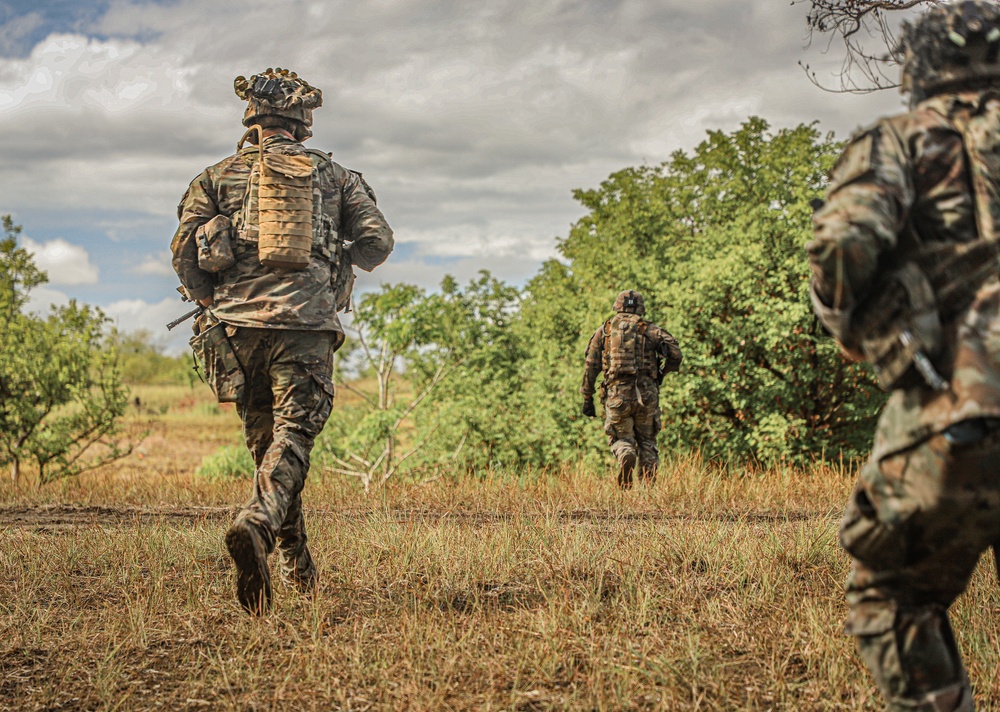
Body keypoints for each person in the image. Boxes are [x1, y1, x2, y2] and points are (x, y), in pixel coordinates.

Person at [807, 2, 1000, 708]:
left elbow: (842, 245)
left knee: (890, 596)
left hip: (960, 415)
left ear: (915, 67)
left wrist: (851, 328)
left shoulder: (898, 140)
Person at [170, 68, 393, 614]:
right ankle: (258, 522)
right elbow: (377, 242)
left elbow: (182, 252)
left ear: (252, 119)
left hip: (238, 332)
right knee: (293, 438)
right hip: (306, 329)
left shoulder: (214, 177)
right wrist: (335, 259)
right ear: (303, 120)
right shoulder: (338, 178)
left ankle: (298, 569)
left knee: (270, 448)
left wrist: (211, 301)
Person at [580, 290, 682, 488]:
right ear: (640, 308)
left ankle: (626, 452)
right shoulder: (650, 330)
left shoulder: (606, 330)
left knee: (621, 437)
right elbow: (675, 353)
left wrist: (587, 397)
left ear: (617, 306)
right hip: (646, 393)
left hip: (617, 393)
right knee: (647, 441)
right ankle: (648, 491)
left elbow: (590, 365)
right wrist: (662, 372)